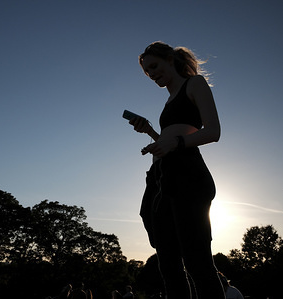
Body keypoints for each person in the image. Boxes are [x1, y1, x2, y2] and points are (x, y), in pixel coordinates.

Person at [129, 41, 225, 299]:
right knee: (168, 265)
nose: (152, 74)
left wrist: (176, 143)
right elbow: (170, 139)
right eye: (147, 72)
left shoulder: (195, 84)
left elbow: (213, 131)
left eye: (154, 66)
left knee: (197, 263)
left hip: (187, 174)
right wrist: (150, 132)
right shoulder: (169, 100)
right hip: (161, 178)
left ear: (170, 59)